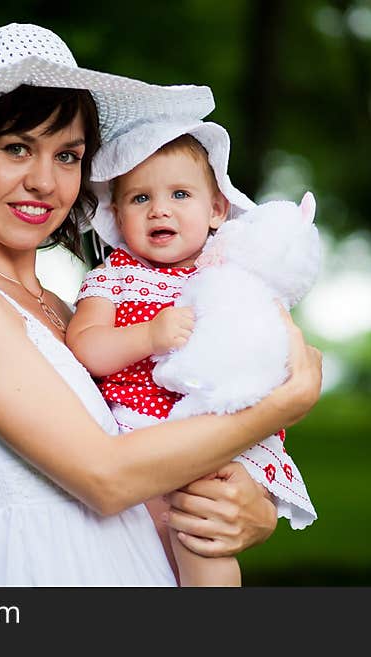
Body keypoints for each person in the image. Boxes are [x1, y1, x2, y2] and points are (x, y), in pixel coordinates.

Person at [0, 23, 322, 585]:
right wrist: (283, 405)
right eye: (17, 148)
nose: (45, 181)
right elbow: (105, 478)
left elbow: (152, 454)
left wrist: (245, 511)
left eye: (68, 156)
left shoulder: (68, 309)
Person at [66, 120, 318, 586]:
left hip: (219, 433)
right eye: (140, 198)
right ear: (118, 216)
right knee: (137, 542)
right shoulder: (113, 277)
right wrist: (146, 336)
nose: (160, 210)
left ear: (217, 209)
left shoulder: (233, 274)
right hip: (139, 431)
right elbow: (85, 348)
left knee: (201, 532)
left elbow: (278, 343)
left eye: (180, 194)